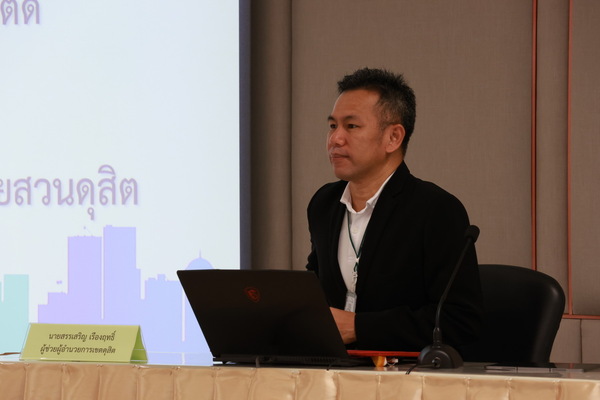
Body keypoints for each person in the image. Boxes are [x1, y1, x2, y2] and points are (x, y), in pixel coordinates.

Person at [306, 67, 483, 352]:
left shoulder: (435, 209)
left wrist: (358, 327)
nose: (335, 139)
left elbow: (459, 321)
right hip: (335, 368)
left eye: (351, 126)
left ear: (393, 137)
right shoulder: (323, 204)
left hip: (408, 372)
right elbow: (316, 294)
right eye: (332, 126)